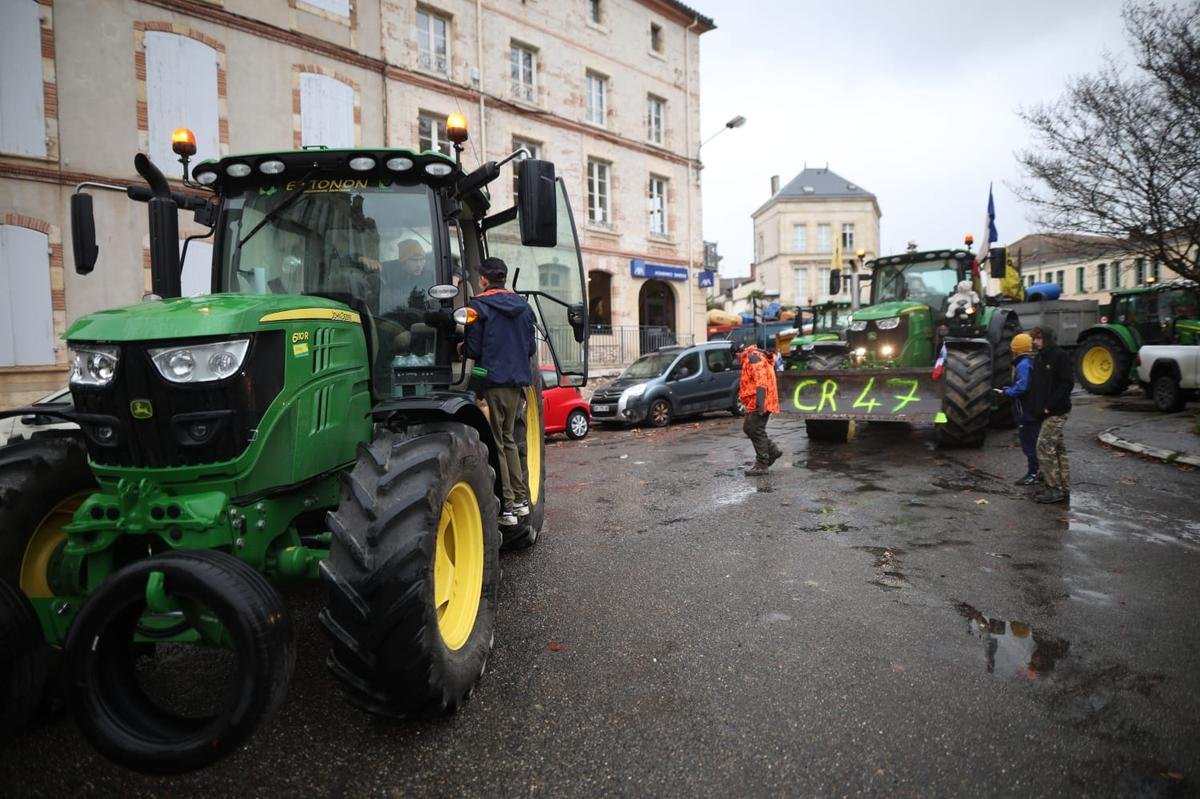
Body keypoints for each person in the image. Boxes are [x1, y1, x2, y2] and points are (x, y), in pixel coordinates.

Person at [462, 257, 537, 526]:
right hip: (517, 385)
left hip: (493, 382)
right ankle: (520, 502)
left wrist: (461, 349)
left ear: (483, 279)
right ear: (503, 278)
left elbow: (473, 349)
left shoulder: (478, 306)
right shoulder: (524, 308)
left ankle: (507, 508)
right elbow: (530, 349)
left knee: (498, 443)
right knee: (509, 441)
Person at [1028, 326, 1074, 504]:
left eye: (1039, 338)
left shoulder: (1059, 356)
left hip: (1057, 411)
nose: (1035, 341)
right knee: (1058, 449)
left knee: (1044, 447)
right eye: (1035, 338)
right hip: (1045, 411)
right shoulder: (1040, 357)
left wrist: (1049, 405)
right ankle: (1063, 487)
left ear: (1047, 339)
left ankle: (1053, 488)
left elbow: (1066, 383)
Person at [996, 332, 1040, 485]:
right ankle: (1039, 472)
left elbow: (1022, 387)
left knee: (1029, 444)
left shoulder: (1023, 364)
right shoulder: (1032, 361)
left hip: (1026, 412)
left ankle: (1033, 473)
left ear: (1016, 349)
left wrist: (1007, 392)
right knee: (1035, 442)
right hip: (1033, 409)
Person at [737, 342, 782, 476]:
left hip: (760, 400)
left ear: (738, 352)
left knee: (755, 429)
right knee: (750, 428)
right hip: (756, 400)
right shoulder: (752, 356)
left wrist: (761, 404)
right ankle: (772, 451)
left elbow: (761, 381)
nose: (737, 360)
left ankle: (762, 464)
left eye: (736, 357)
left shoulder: (753, 357)